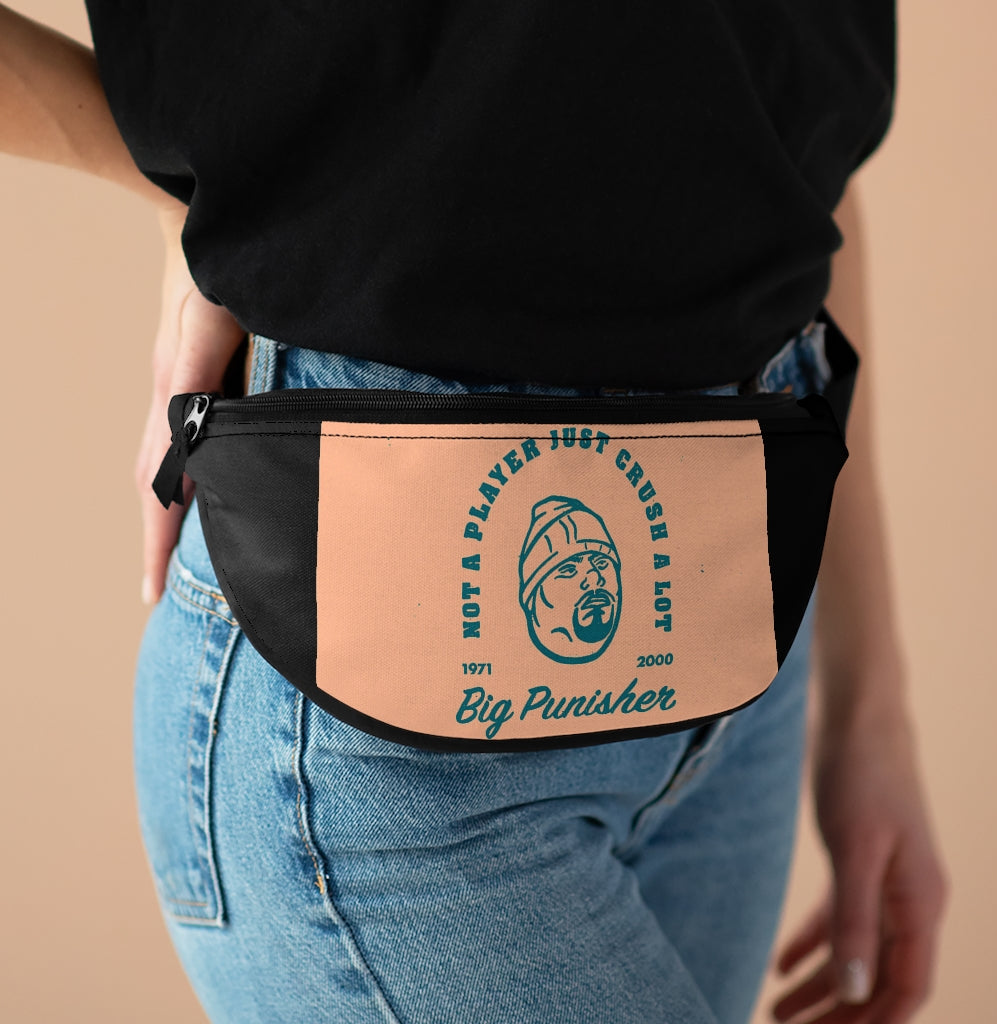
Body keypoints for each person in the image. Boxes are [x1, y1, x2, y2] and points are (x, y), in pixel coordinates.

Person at [0, 4, 947, 1022]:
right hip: (381, 718)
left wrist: (869, 705)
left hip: (746, 622)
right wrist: (189, 200)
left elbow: (798, 140)